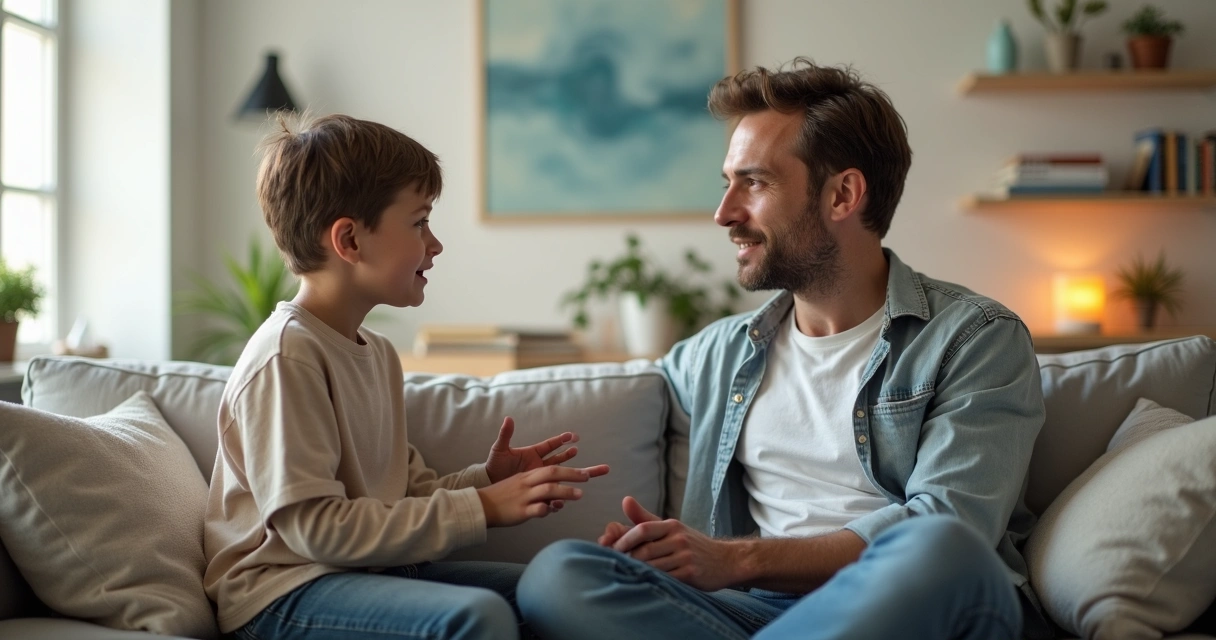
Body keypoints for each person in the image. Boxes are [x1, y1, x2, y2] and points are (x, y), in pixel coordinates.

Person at [517, 59, 1048, 640]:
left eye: (756, 182)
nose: (725, 214)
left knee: (941, 548)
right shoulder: (720, 352)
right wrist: (476, 485)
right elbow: (620, 397)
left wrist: (735, 560)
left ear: (843, 194)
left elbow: (955, 523)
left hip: (908, 605)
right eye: (728, 183)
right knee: (561, 573)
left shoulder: (974, 339)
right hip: (753, 614)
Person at [203, 113, 609, 640]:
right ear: (349, 240)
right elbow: (314, 530)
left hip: (364, 573)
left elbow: (403, 496)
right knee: (477, 617)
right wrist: (481, 508)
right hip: (282, 594)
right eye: (419, 223)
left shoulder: (378, 355)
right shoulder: (287, 357)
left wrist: (487, 481)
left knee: (547, 589)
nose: (435, 244)